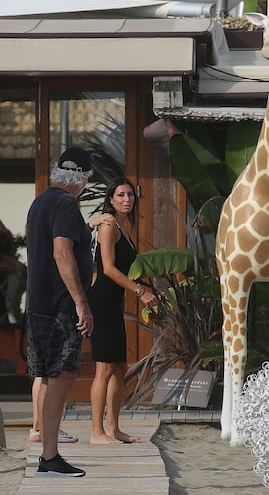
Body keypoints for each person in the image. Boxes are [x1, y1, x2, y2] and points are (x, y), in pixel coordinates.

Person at [26, 147, 112, 477]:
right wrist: (80, 301)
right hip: (59, 307)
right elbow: (62, 253)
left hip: (40, 305)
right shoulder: (65, 204)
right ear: (83, 179)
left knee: (50, 378)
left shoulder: (41, 202)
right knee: (61, 378)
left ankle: (49, 455)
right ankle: (50, 457)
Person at [89, 176, 156, 445]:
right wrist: (140, 291)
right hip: (101, 301)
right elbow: (107, 268)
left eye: (129, 195)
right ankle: (96, 432)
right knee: (104, 369)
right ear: (110, 199)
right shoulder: (108, 225)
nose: (126, 199)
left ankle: (114, 428)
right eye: (120, 195)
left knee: (120, 367)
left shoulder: (124, 226)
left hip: (113, 302)